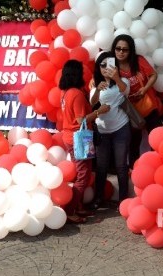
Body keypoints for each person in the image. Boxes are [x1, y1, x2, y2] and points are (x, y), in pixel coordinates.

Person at [59, 59, 110, 223]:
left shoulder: (66, 92)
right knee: (83, 175)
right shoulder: (77, 93)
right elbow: (81, 120)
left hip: (69, 136)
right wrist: (99, 111)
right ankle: (70, 210)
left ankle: (78, 206)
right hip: (79, 138)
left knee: (80, 172)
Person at [111, 34, 163, 168]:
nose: (121, 52)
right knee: (134, 140)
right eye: (118, 49)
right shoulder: (111, 66)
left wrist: (145, 89)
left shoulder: (138, 60)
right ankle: (135, 168)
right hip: (128, 110)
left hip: (147, 106)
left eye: (125, 49)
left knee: (158, 136)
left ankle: (157, 164)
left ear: (130, 51)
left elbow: (153, 75)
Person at [90, 51, 131, 209]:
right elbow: (92, 103)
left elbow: (125, 90)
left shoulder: (123, 81)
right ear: (98, 67)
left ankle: (123, 201)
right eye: (102, 65)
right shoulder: (95, 84)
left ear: (115, 66)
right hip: (102, 130)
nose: (106, 68)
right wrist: (98, 89)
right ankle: (98, 198)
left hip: (121, 128)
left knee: (121, 166)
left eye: (110, 64)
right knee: (101, 166)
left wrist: (115, 78)